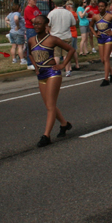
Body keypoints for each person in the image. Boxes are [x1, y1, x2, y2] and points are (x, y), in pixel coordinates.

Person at [27, 15, 76, 147]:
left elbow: (71, 49)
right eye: (35, 23)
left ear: (46, 25)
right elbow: (30, 54)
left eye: (39, 24)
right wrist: (36, 67)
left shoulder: (52, 39)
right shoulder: (31, 40)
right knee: (50, 105)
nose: (36, 26)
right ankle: (65, 124)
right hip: (41, 74)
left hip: (52, 72)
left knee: (50, 106)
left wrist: (63, 65)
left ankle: (46, 135)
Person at [91, 1, 112, 86]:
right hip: (100, 38)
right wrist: (95, 33)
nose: (100, 8)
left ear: (105, 7)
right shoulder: (96, 17)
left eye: (102, 6)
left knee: (106, 58)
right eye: (99, 6)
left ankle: (106, 79)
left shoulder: (110, 16)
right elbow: (91, 25)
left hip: (109, 37)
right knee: (102, 60)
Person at [47, 0, 76, 77]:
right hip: (66, 35)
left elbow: (48, 24)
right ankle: (67, 71)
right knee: (66, 54)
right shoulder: (68, 13)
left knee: (56, 55)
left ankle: (56, 70)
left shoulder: (51, 13)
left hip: (55, 37)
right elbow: (73, 23)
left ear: (54, 4)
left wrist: (50, 31)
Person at [23, 0, 41, 69]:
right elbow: (34, 20)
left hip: (37, 29)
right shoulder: (27, 9)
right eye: (34, 0)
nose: (35, 1)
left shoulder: (35, 7)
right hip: (31, 29)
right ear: (29, 1)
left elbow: (40, 15)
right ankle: (30, 63)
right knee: (31, 46)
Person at [63, 1, 81, 74]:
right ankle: (77, 64)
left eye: (66, 6)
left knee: (68, 51)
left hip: (70, 33)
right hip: (74, 33)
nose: (65, 7)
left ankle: (69, 67)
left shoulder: (69, 14)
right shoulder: (75, 13)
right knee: (74, 50)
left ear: (69, 6)